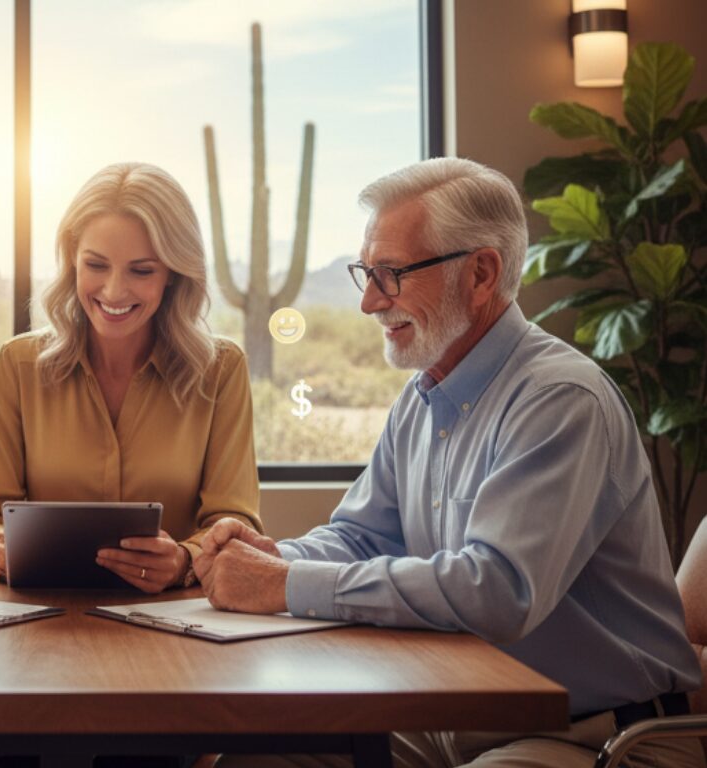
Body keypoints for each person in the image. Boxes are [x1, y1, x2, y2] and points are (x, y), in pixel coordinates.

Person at [198, 157, 703, 767]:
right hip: (459, 721)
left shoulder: (559, 400)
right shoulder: (422, 396)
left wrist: (282, 586)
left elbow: (498, 590)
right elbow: (361, 537)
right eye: (367, 274)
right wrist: (267, 557)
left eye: (390, 275)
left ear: (481, 275)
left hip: (597, 737)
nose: (368, 304)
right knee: (259, 759)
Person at [0, 161, 261, 592]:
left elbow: (236, 521)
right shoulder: (18, 365)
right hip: (41, 620)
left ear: (173, 274)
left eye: (142, 270)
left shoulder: (222, 370)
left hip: (174, 626)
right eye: (96, 265)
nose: (114, 291)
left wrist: (182, 561)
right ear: (72, 262)